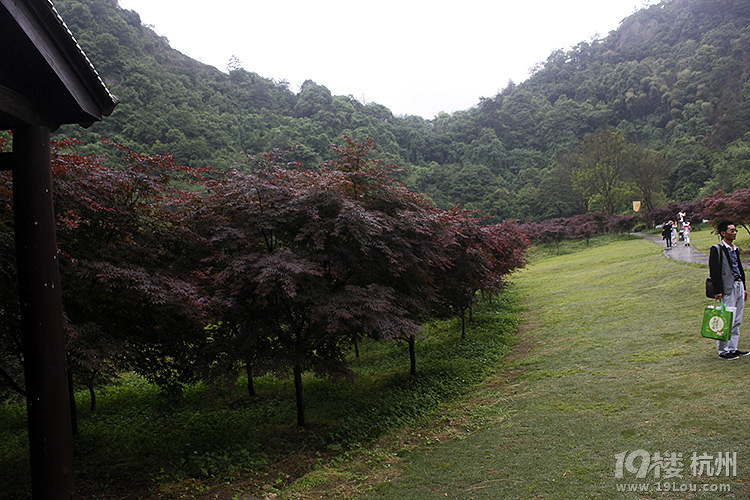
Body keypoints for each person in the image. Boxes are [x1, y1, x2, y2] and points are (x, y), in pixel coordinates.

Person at [709, 221, 748, 359]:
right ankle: (723, 350)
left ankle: (733, 347)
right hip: (727, 287)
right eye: (732, 230)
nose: (735, 232)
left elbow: (739, 269)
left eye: (735, 230)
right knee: (726, 319)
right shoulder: (717, 249)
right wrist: (718, 290)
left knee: (737, 319)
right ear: (723, 233)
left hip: (738, 285)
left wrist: (744, 287)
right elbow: (714, 270)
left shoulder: (735, 249)